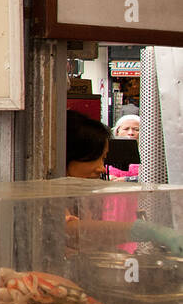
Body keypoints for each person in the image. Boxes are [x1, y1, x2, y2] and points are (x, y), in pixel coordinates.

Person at [64, 109, 183, 254]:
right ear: (69, 155)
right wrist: (144, 231)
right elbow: (70, 231)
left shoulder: (78, 196)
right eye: (96, 158)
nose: (101, 168)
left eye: (103, 159)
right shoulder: (53, 196)